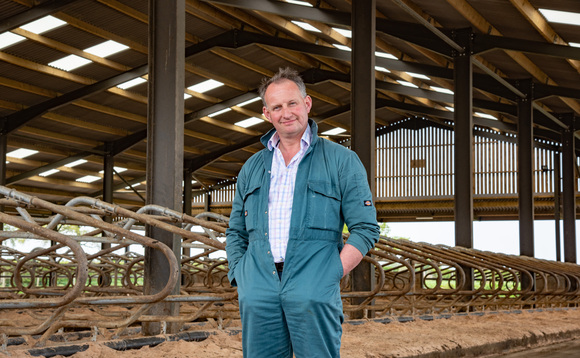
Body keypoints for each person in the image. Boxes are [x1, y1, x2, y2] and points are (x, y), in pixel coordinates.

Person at [226, 67, 380, 358]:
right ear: (267, 114)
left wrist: (332, 273)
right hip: (259, 287)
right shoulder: (252, 167)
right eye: (277, 107)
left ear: (307, 104)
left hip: (314, 284)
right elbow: (236, 231)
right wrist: (241, 275)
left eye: (292, 103)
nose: (286, 113)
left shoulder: (341, 160)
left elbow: (365, 228)